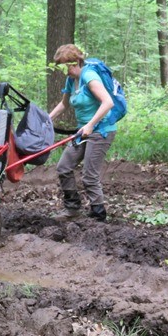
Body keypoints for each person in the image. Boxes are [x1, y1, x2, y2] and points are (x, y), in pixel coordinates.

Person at [48, 44, 116, 222]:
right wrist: (48, 119)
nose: (65, 71)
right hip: (83, 131)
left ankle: (98, 214)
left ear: (77, 61)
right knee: (64, 167)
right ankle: (72, 209)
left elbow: (108, 102)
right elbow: (64, 104)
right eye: (62, 67)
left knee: (89, 175)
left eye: (67, 66)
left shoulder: (89, 76)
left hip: (101, 130)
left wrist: (91, 125)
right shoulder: (71, 79)